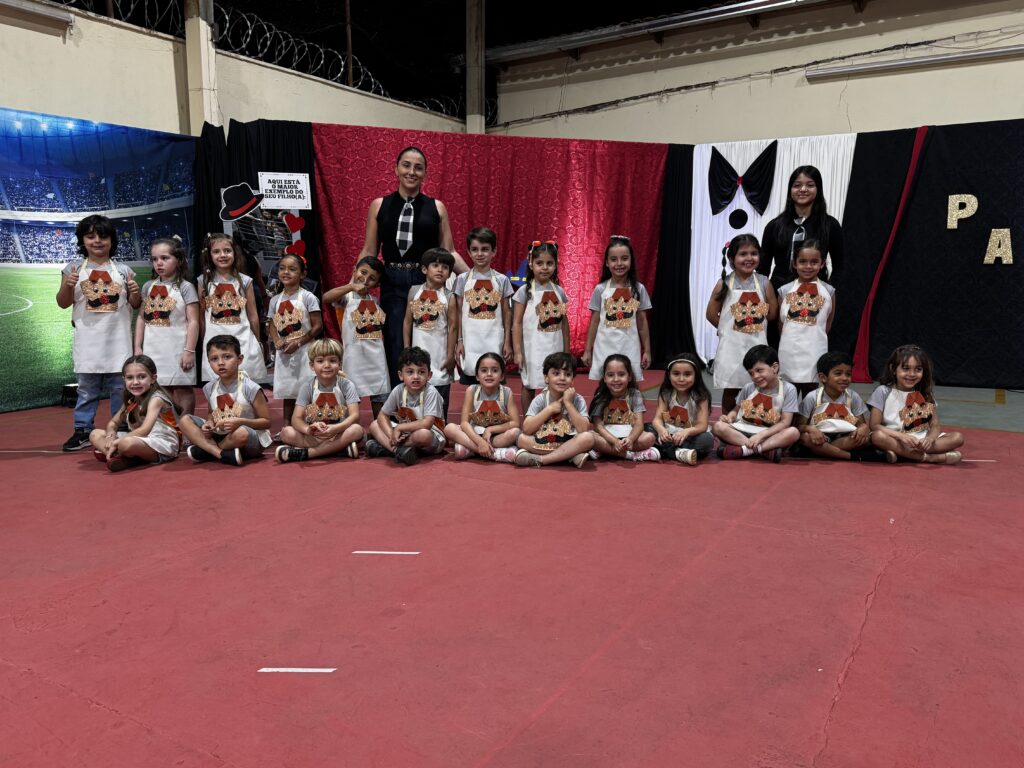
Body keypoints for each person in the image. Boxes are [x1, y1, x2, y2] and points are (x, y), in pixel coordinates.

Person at [358, 146, 469, 386]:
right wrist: (352, 286)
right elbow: (369, 250)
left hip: (425, 281)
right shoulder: (379, 205)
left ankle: (428, 398)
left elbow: (449, 251)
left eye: (418, 168)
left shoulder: (437, 207)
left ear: (425, 173)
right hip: (392, 281)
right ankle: (399, 399)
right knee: (396, 341)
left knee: (428, 339)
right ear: (396, 169)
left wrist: (474, 278)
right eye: (406, 165)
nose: (411, 172)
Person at [57, 214, 142, 451]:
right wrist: (68, 286)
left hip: (118, 341)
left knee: (121, 389)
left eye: (103, 236)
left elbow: (135, 304)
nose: (97, 241)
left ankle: (121, 427)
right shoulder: (72, 269)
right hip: (87, 341)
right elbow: (63, 303)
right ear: (82, 240)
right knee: (86, 391)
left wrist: (135, 293)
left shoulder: (124, 270)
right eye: (90, 236)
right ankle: (83, 430)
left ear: (111, 240)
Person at [706, 234, 778, 416]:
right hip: (731, 347)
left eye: (754, 253)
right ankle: (728, 422)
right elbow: (711, 314)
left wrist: (752, 320)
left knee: (757, 386)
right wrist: (726, 329)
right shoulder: (724, 283)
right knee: (731, 388)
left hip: (757, 345)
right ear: (732, 258)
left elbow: (772, 314)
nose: (749, 258)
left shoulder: (764, 282)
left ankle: (752, 421)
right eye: (743, 254)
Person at [180, 335, 272, 466]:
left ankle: (207, 450)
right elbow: (211, 414)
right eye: (214, 359)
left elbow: (266, 422)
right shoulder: (210, 387)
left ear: (240, 359)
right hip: (221, 434)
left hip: (248, 439)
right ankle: (220, 453)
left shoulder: (251, 388)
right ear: (209, 362)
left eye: (227, 357)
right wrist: (209, 423)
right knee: (184, 420)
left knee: (241, 433)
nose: (221, 363)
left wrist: (241, 422)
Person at [135, 236, 200, 415]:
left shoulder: (186, 287)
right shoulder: (148, 287)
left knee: (182, 387)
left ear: (178, 260)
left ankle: (186, 425)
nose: (159, 263)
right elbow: (141, 319)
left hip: (178, 348)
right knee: (158, 389)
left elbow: (193, 321)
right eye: (155, 259)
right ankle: (166, 426)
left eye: (165, 258)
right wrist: (138, 347)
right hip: (153, 347)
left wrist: (189, 350)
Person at [867, 344, 964, 464]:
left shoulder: (925, 394)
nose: (912, 374)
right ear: (893, 369)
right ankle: (929, 458)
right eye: (906, 368)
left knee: (957, 438)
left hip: (919, 441)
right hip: (894, 438)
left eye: (918, 369)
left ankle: (902, 455)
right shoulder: (882, 391)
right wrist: (901, 436)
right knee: (877, 437)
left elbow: (935, 425)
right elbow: (874, 426)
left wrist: (929, 439)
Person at [275, 338, 363, 463]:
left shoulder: (347, 385)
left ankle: (308, 453)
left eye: (332, 361)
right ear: (312, 365)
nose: (327, 365)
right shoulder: (307, 387)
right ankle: (339, 449)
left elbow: (355, 416)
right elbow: (296, 419)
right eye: (320, 361)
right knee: (286, 432)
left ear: (340, 364)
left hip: (339, 433)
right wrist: (308, 429)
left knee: (356, 430)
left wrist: (336, 428)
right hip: (315, 436)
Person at [88, 355, 181, 471]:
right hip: (140, 439)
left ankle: (118, 455)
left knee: (126, 443)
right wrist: (110, 436)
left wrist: (118, 441)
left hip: (162, 443)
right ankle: (121, 457)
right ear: (124, 380)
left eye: (142, 377)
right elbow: (113, 422)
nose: (135, 382)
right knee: (95, 434)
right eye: (130, 378)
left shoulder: (157, 399)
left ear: (153, 378)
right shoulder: (131, 399)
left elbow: (145, 430)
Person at [759, 165, 844, 291]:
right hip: (778, 293)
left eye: (810, 185)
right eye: (797, 185)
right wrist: (767, 296)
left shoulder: (830, 225)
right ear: (790, 190)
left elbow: (840, 267)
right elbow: (762, 270)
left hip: (816, 294)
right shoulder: (774, 226)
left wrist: (829, 292)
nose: (803, 189)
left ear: (818, 189)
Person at [322, 256, 389, 416]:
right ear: (354, 271)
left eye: (372, 278)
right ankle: (351, 427)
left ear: (377, 285)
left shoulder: (375, 300)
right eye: (363, 272)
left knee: (379, 399)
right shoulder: (346, 297)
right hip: (353, 357)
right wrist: (351, 286)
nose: (365, 279)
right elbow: (326, 297)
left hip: (377, 359)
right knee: (351, 398)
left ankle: (379, 428)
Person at [197, 233, 267, 383]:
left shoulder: (245, 281)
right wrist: (204, 340)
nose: (223, 255)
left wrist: (257, 341)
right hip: (214, 340)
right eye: (216, 251)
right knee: (218, 387)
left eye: (227, 251)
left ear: (235, 253)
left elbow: (253, 315)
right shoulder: (204, 281)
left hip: (242, 340)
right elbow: (202, 316)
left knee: (244, 384)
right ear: (209, 255)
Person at [582, 235, 653, 382]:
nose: (619, 263)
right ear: (607, 263)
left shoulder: (639, 289)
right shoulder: (600, 289)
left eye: (624, 258)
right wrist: (587, 350)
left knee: (629, 383)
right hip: (604, 346)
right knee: (605, 382)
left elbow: (642, 323)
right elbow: (594, 322)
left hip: (629, 346)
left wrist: (647, 350)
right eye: (614, 259)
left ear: (631, 260)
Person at [713, 344, 800, 462]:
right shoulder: (748, 387)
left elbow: (785, 422)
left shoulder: (789, 389)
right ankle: (764, 450)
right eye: (751, 373)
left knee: (793, 432)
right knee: (718, 426)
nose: (755, 376)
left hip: (767, 434)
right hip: (742, 432)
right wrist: (729, 417)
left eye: (759, 370)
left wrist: (761, 435)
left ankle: (745, 450)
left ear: (774, 367)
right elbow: (736, 410)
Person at [512, 240, 569, 414]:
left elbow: (564, 323)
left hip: (554, 346)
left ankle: (555, 421)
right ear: (531, 263)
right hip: (532, 348)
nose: (544, 268)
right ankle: (529, 419)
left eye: (549, 263)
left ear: (556, 264)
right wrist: (518, 352)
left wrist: (567, 351)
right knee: (529, 384)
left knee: (557, 385)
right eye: (539, 263)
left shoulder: (559, 291)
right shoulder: (524, 292)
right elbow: (517, 323)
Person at [365, 346, 447, 466]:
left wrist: (399, 428)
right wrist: (391, 434)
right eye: (410, 372)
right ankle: (398, 451)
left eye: (421, 372)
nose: (416, 376)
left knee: (423, 435)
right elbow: (382, 415)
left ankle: (387, 449)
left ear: (429, 375)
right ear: (400, 375)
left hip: (430, 435)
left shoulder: (431, 392)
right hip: (406, 434)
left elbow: (427, 423)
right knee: (374, 424)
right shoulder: (398, 390)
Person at [267, 253, 322, 427]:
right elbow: (271, 324)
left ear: (302, 274)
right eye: (282, 268)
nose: (286, 272)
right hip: (285, 352)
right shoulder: (275, 300)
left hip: (305, 351)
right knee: (288, 391)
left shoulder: (308, 297)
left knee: (307, 389)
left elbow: (318, 326)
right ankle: (286, 427)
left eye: (292, 269)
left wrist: (299, 342)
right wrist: (276, 340)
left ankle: (311, 424)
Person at [514, 352, 596, 468]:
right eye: (556, 373)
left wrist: (568, 404)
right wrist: (550, 409)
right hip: (546, 440)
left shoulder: (578, 400)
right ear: (546, 378)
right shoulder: (540, 399)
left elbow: (583, 429)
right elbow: (527, 429)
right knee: (521, 439)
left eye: (567, 374)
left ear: (573, 379)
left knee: (588, 438)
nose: (562, 378)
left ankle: (542, 460)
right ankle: (570, 455)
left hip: (568, 440)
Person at [454, 227, 514, 384]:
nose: (479, 254)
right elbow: (458, 312)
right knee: (471, 383)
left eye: (485, 249)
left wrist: (507, 341)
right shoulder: (461, 280)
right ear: (468, 252)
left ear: (494, 251)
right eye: (475, 249)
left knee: (493, 380)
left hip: (494, 339)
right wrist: (459, 340)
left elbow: (507, 312)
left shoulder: (502, 280)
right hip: (470, 340)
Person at [404, 247, 457, 419]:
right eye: (435, 265)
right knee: (416, 398)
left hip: (439, 356)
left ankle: (439, 428)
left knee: (440, 400)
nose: (440, 270)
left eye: (445, 267)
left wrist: (451, 355)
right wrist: (406, 348)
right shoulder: (414, 291)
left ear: (449, 273)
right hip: (417, 353)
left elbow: (452, 328)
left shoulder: (449, 297)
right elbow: (407, 321)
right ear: (424, 269)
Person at [777, 240, 835, 395]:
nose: (808, 266)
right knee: (789, 392)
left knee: (811, 390)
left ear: (822, 264)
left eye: (814, 262)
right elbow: (781, 324)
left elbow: (828, 323)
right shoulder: (784, 290)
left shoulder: (829, 291)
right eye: (803, 261)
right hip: (789, 350)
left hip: (814, 350)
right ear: (794, 263)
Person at [795, 351, 875, 461]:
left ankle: (823, 451)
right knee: (805, 438)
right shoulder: (812, 397)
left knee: (868, 438)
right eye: (838, 373)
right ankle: (850, 456)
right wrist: (811, 429)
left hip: (844, 437)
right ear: (823, 377)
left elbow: (861, 424)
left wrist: (863, 428)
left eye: (848, 374)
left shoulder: (853, 396)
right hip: (820, 437)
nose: (845, 378)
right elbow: (799, 426)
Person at [443, 352, 520, 462]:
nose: (489, 374)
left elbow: (515, 423)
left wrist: (491, 429)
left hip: (496, 436)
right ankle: (494, 454)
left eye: (495, 370)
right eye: (484, 370)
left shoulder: (507, 392)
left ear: (502, 376)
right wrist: (480, 442)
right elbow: (464, 423)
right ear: (477, 376)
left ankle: (470, 449)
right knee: (449, 428)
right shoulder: (471, 390)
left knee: (515, 432)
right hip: (475, 434)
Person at [590, 354, 659, 461]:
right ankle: (631, 455)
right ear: (604, 378)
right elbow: (598, 426)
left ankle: (605, 451)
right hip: (607, 437)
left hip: (628, 436)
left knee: (650, 438)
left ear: (629, 376)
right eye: (610, 375)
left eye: (621, 374)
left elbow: (639, 424)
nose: (616, 379)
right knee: (590, 437)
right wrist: (614, 441)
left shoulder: (634, 394)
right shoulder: (601, 395)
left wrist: (630, 439)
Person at [649, 353, 714, 465]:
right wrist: (661, 430)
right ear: (669, 375)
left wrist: (686, 432)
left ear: (696, 375)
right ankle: (679, 453)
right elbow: (657, 419)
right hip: (669, 434)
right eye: (676, 374)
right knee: (646, 429)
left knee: (706, 441)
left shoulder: (701, 396)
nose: (681, 379)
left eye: (687, 374)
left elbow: (702, 425)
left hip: (690, 435)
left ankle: (663, 451)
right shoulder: (666, 393)